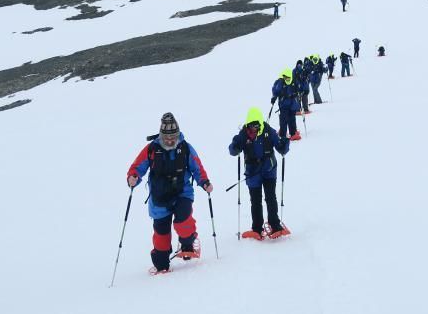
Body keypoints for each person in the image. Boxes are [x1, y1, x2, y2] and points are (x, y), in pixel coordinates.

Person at [126, 113, 213, 274]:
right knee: (161, 236)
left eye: (173, 137)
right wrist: (133, 178)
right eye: (167, 138)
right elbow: (137, 167)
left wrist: (205, 182)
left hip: (182, 192)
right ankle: (161, 263)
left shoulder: (185, 148)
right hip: (159, 197)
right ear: (161, 136)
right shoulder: (152, 149)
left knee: (184, 222)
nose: (170, 141)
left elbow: (197, 167)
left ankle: (188, 243)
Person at [228, 107, 290, 240]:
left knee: (270, 197)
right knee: (255, 201)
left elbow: (280, 146)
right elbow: (232, 151)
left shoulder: (268, 130)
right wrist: (235, 146)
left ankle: (275, 225)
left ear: (260, 123)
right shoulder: (243, 134)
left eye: (256, 125)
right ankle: (257, 228)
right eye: (251, 125)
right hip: (252, 172)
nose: (254, 128)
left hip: (269, 170)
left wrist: (284, 145)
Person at [272, 69, 301, 141]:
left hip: (292, 104)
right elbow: (275, 91)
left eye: (288, 78)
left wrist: (298, 92)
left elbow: (298, 88)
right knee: (283, 119)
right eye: (285, 78)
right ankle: (282, 134)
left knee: (292, 119)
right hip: (283, 104)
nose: (287, 79)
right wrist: (274, 97)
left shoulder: (294, 81)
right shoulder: (280, 82)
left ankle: (293, 133)